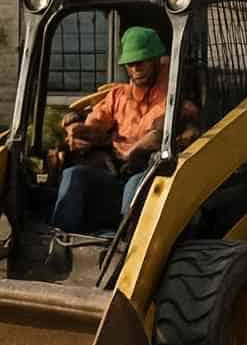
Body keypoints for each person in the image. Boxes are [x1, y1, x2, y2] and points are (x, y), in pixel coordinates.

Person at [51, 27, 199, 234]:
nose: (135, 68)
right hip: (116, 172)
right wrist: (77, 129)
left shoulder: (174, 99)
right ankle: (61, 241)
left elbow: (174, 132)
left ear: (157, 60)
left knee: (133, 186)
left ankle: (126, 248)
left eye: (141, 62)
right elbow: (96, 125)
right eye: (130, 64)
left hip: (152, 174)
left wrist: (136, 151)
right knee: (73, 175)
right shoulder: (117, 96)